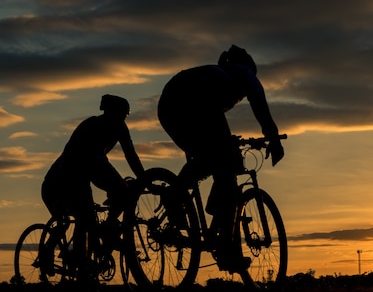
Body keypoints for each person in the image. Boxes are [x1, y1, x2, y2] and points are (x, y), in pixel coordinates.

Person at [157, 44, 284, 272]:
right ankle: (225, 249)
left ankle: (183, 196)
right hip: (194, 102)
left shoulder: (219, 74)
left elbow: (212, 124)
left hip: (172, 103)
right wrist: (273, 139)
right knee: (224, 164)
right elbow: (260, 107)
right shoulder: (245, 73)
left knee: (211, 158)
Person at [41, 94, 145, 272]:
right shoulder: (94, 127)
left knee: (81, 217)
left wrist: (142, 179)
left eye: (125, 116)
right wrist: (140, 181)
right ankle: (68, 259)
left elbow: (130, 155)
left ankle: (82, 251)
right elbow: (97, 164)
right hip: (62, 180)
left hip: (72, 176)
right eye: (121, 114)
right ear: (110, 112)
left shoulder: (117, 127)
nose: (122, 119)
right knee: (81, 218)